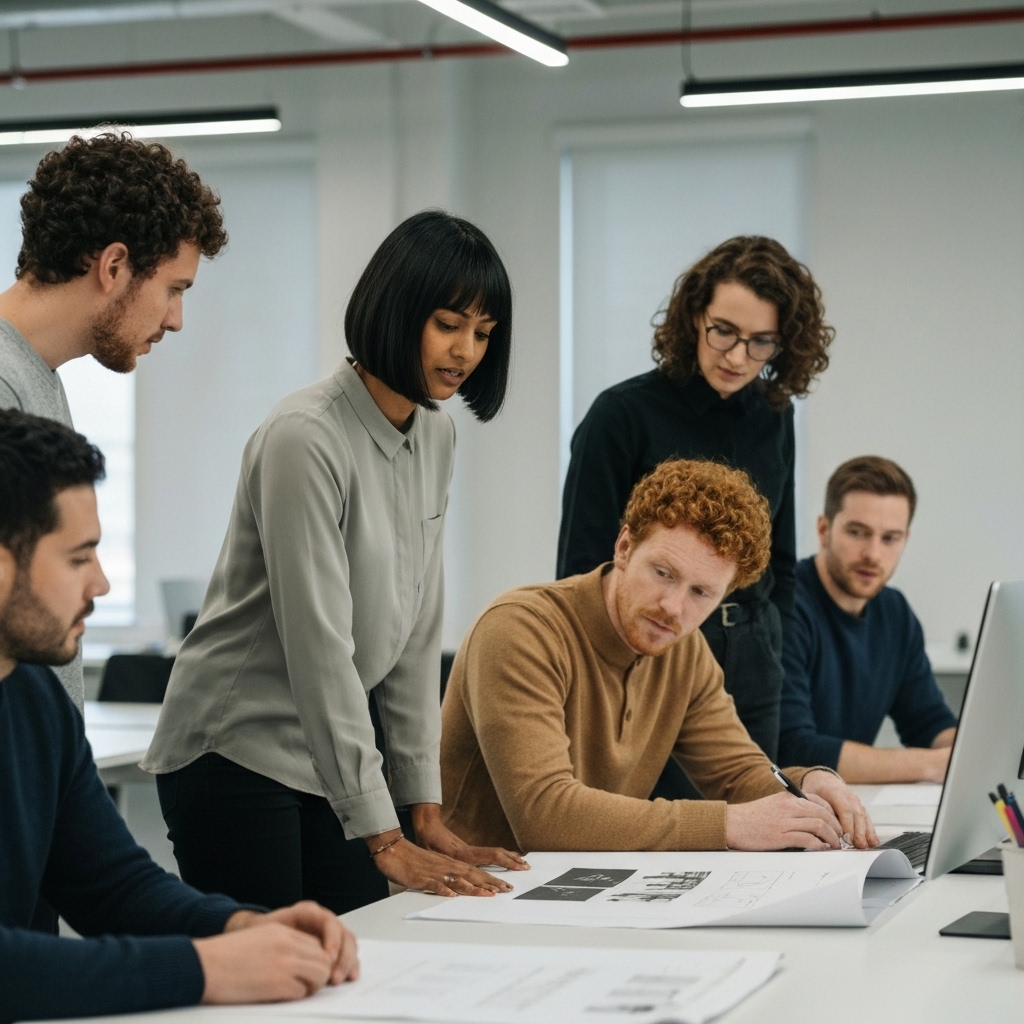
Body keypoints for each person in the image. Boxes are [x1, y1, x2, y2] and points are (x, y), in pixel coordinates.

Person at [143, 210, 528, 916]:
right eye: (448, 324)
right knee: (276, 963)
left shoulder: (436, 436)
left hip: (331, 755)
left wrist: (422, 805)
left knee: (361, 947)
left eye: (483, 332)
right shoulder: (306, 437)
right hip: (236, 749)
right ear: (397, 311)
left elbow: (415, 634)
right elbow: (319, 645)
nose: (466, 350)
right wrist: (382, 835)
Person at [0, 409, 358, 1024]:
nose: (102, 584)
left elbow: (112, 886)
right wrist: (207, 969)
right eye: (79, 558)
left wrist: (240, 926)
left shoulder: (35, 699)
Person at [442, 458, 877, 853]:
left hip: (580, 887)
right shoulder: (520, 629)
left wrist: (809, 782)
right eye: (663, 573)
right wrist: (727, 824)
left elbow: (736, 774)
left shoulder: (684, 649)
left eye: (701, 592)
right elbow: (544, 814)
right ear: (624, 548)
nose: (673, 607)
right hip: (466, 892)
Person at [557, 237, 835, 799]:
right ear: (693, 318)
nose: (737, 357)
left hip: (754, 651)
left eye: (761, 342)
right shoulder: (622, 414)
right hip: (658, 642)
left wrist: (773, 644)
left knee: (759, 817)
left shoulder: (775, 416)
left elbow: (779, 558)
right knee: (665, 826)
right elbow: (582, 568)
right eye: (723, 331)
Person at [0, 131, 226, 711]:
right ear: (115, 266)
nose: (175, 319)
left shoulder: (36, 377)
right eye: (173, 289)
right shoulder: (3, 385)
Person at [778, 456, 957, 784]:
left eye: (890, 538)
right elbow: (793, 748)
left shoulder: (895, 612)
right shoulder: (783, 606)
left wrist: (971, 751)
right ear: (824, 529)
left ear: (905, 539)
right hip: (789, 803)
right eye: (857, 533)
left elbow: (929, 723)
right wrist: (933, 765)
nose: (873, 554)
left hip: (850, 801)